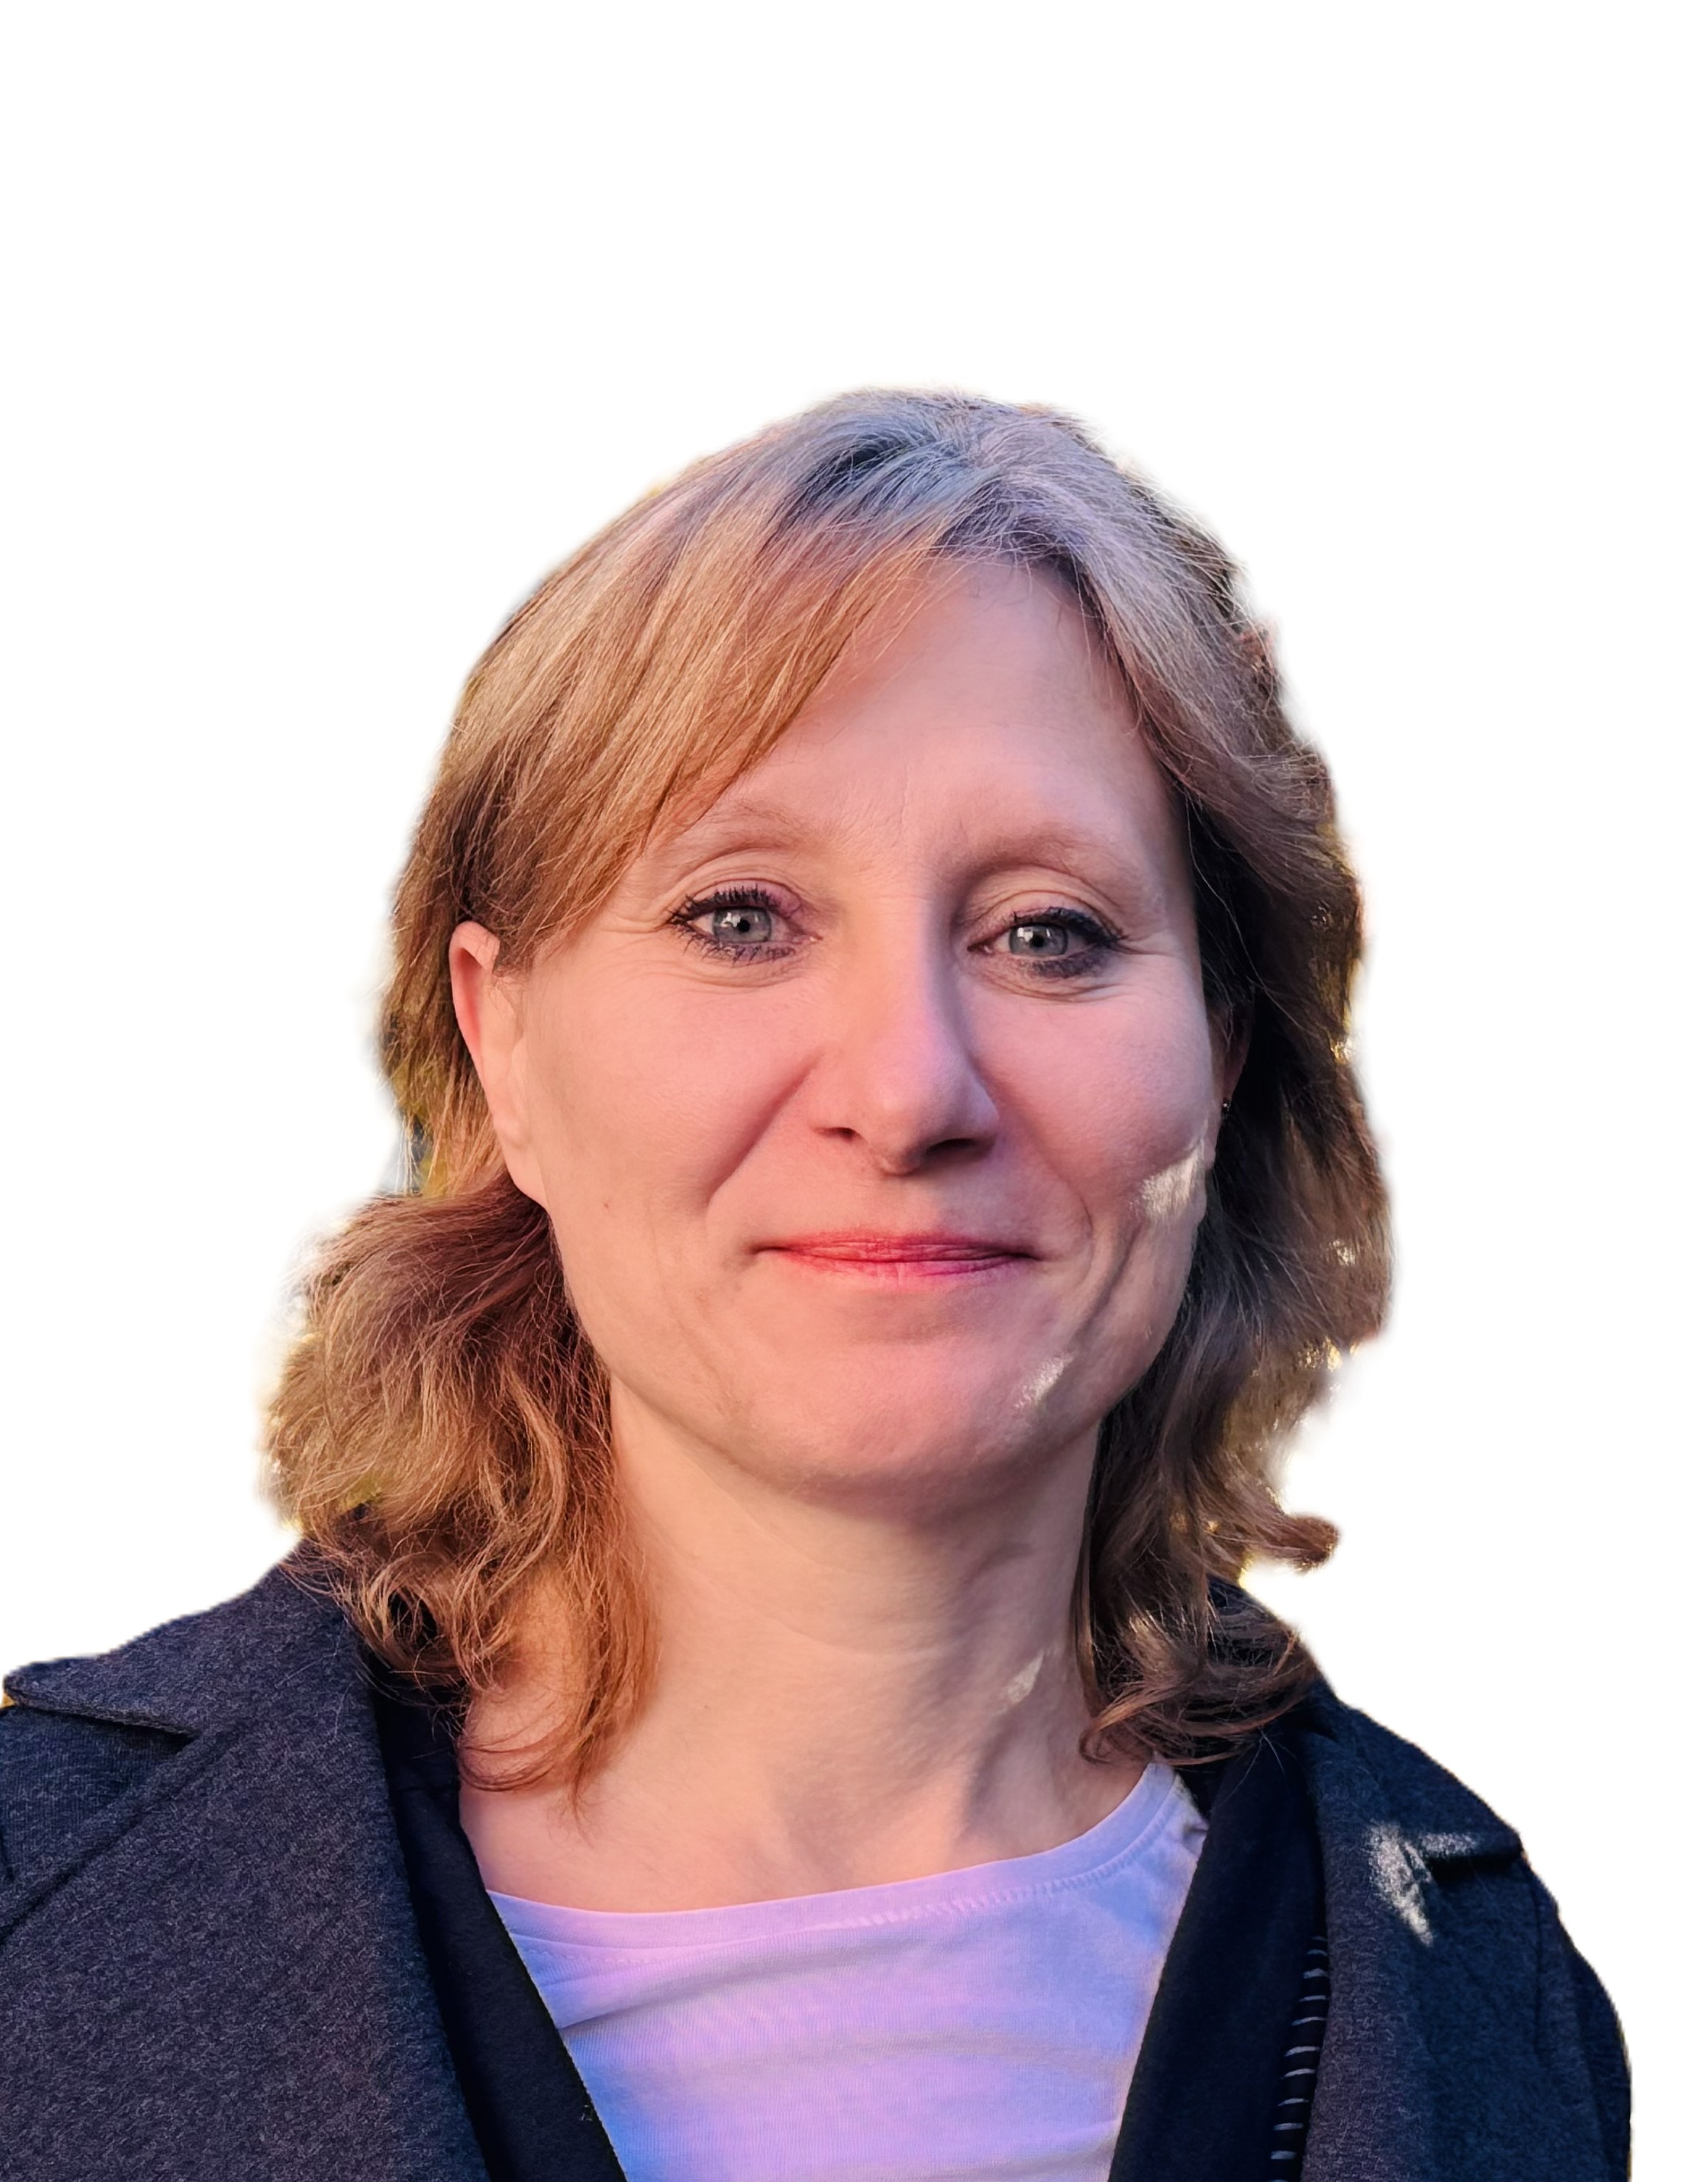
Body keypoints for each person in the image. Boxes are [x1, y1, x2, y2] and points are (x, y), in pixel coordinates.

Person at [0, 392, 1627, 2182]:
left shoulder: (1489, 2000)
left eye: (1048, 931)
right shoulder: (36, 1906)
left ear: (1221, 1061)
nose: (910, 1088)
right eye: (742, 918)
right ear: (503, 1043)